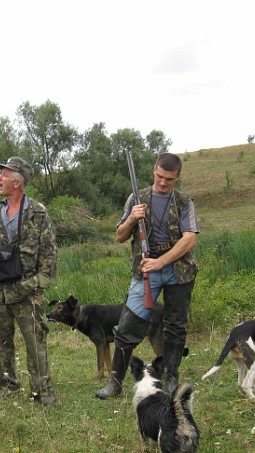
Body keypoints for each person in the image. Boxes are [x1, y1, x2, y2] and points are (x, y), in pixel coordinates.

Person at [96, 153, 199, 399]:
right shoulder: (136, 198)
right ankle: (115, 383)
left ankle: (171, 377)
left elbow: (189, 239)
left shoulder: (185, 202)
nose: (163, 182)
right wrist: (132, 218)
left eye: (169, 179)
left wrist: (160, 262)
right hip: (144, 270)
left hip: (179, 271)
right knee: (127, 327)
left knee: (175, 327)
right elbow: (120, 236)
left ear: (177, 177)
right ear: (154, 170)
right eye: (159, 176)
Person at [0, 157, 58, 406]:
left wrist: (37, 283)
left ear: (18, 181)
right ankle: (7, 386)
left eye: (4, 174)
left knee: (35, 341)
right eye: (0, 174)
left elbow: (49, 253)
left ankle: (42, 391)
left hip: (26, 289)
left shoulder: (37, 212)